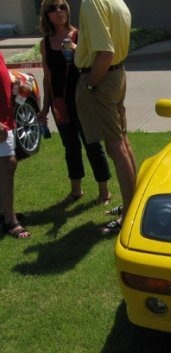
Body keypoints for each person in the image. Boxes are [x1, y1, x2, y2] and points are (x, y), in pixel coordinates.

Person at [39, 0, 112, 204]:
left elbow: (92, 61)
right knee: (70, 147)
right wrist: (45, 107)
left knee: (92, 144)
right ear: (46, 15)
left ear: (68, 10)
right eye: (52, 9)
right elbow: (48, 78)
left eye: (62, 6)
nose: (58, 11)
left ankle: (104, 192)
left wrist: (76, 48)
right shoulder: (45, 43)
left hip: (83, 99)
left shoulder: (80, 35)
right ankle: (76, 190)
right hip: (60, 103)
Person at [75, 0, 135, 234]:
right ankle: (133, 205)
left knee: (115, 145)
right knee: (122, 141)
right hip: (116, 75)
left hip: (101, 79)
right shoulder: (116, 2)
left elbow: (105, 52)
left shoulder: (92, 2)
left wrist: (90, 85)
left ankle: (129, 214)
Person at [0, 52, 31, 239]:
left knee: (7, 165)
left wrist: (14, 86)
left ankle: (5, 211)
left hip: (6, 118)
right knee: (8, 163)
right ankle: (10, 220)